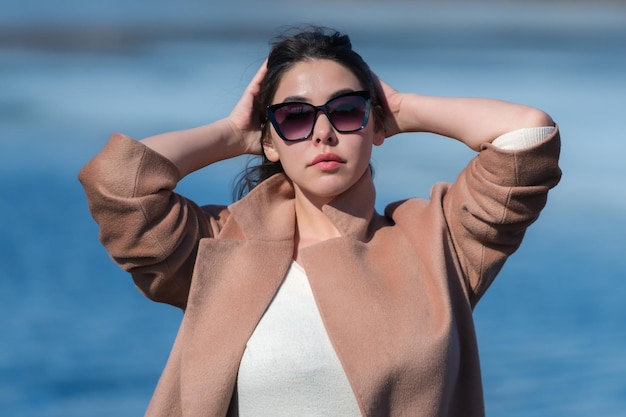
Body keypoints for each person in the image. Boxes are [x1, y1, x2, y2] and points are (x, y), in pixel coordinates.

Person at [78, 26, 561, 417]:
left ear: (373, 126)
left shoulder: (436, 241)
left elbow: (527, 136)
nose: (323, 132)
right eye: (294, 118)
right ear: (269, 139)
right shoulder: (218, 245)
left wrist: (402, 109)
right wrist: (230, 134)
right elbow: (119, 184)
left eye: (346, 111)